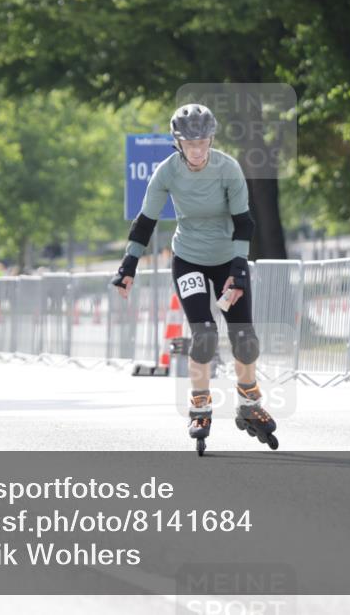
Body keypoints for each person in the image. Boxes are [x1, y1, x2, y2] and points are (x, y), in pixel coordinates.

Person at [110, 104, 278, 454]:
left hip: (228, 258)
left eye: (202, 142)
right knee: (203, 336)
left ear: (211, 140)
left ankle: (249, 404)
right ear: (178, 143)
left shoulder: (228, 168)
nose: (197, 150)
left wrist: (237, 267)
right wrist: (129, 265)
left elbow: (245, 222)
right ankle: (200, 408)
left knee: (245, 338)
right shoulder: (167, 172)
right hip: (188, 260)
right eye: (190, 144)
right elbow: (145, 221)